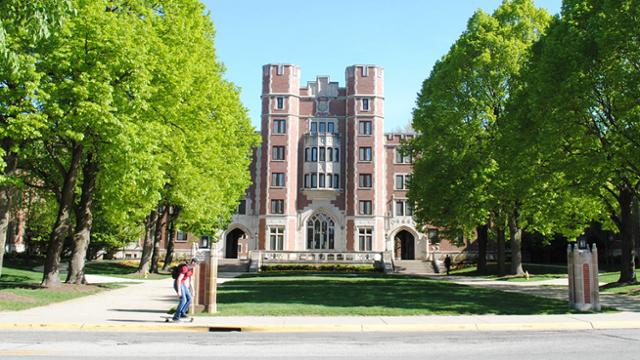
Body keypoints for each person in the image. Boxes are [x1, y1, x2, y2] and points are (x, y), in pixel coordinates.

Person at [172, 257, 199, 321]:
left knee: (189, 298)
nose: (197, 265)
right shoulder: (184, 268)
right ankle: (176, 316)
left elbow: (190, 280)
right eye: (196, 264)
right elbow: (179, 279)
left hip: (182, 284)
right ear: (193, 263)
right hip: (178, 284)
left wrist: (193, 290)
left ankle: (182, 313)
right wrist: (179, 291)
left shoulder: (191, 269)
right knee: (183, 300)